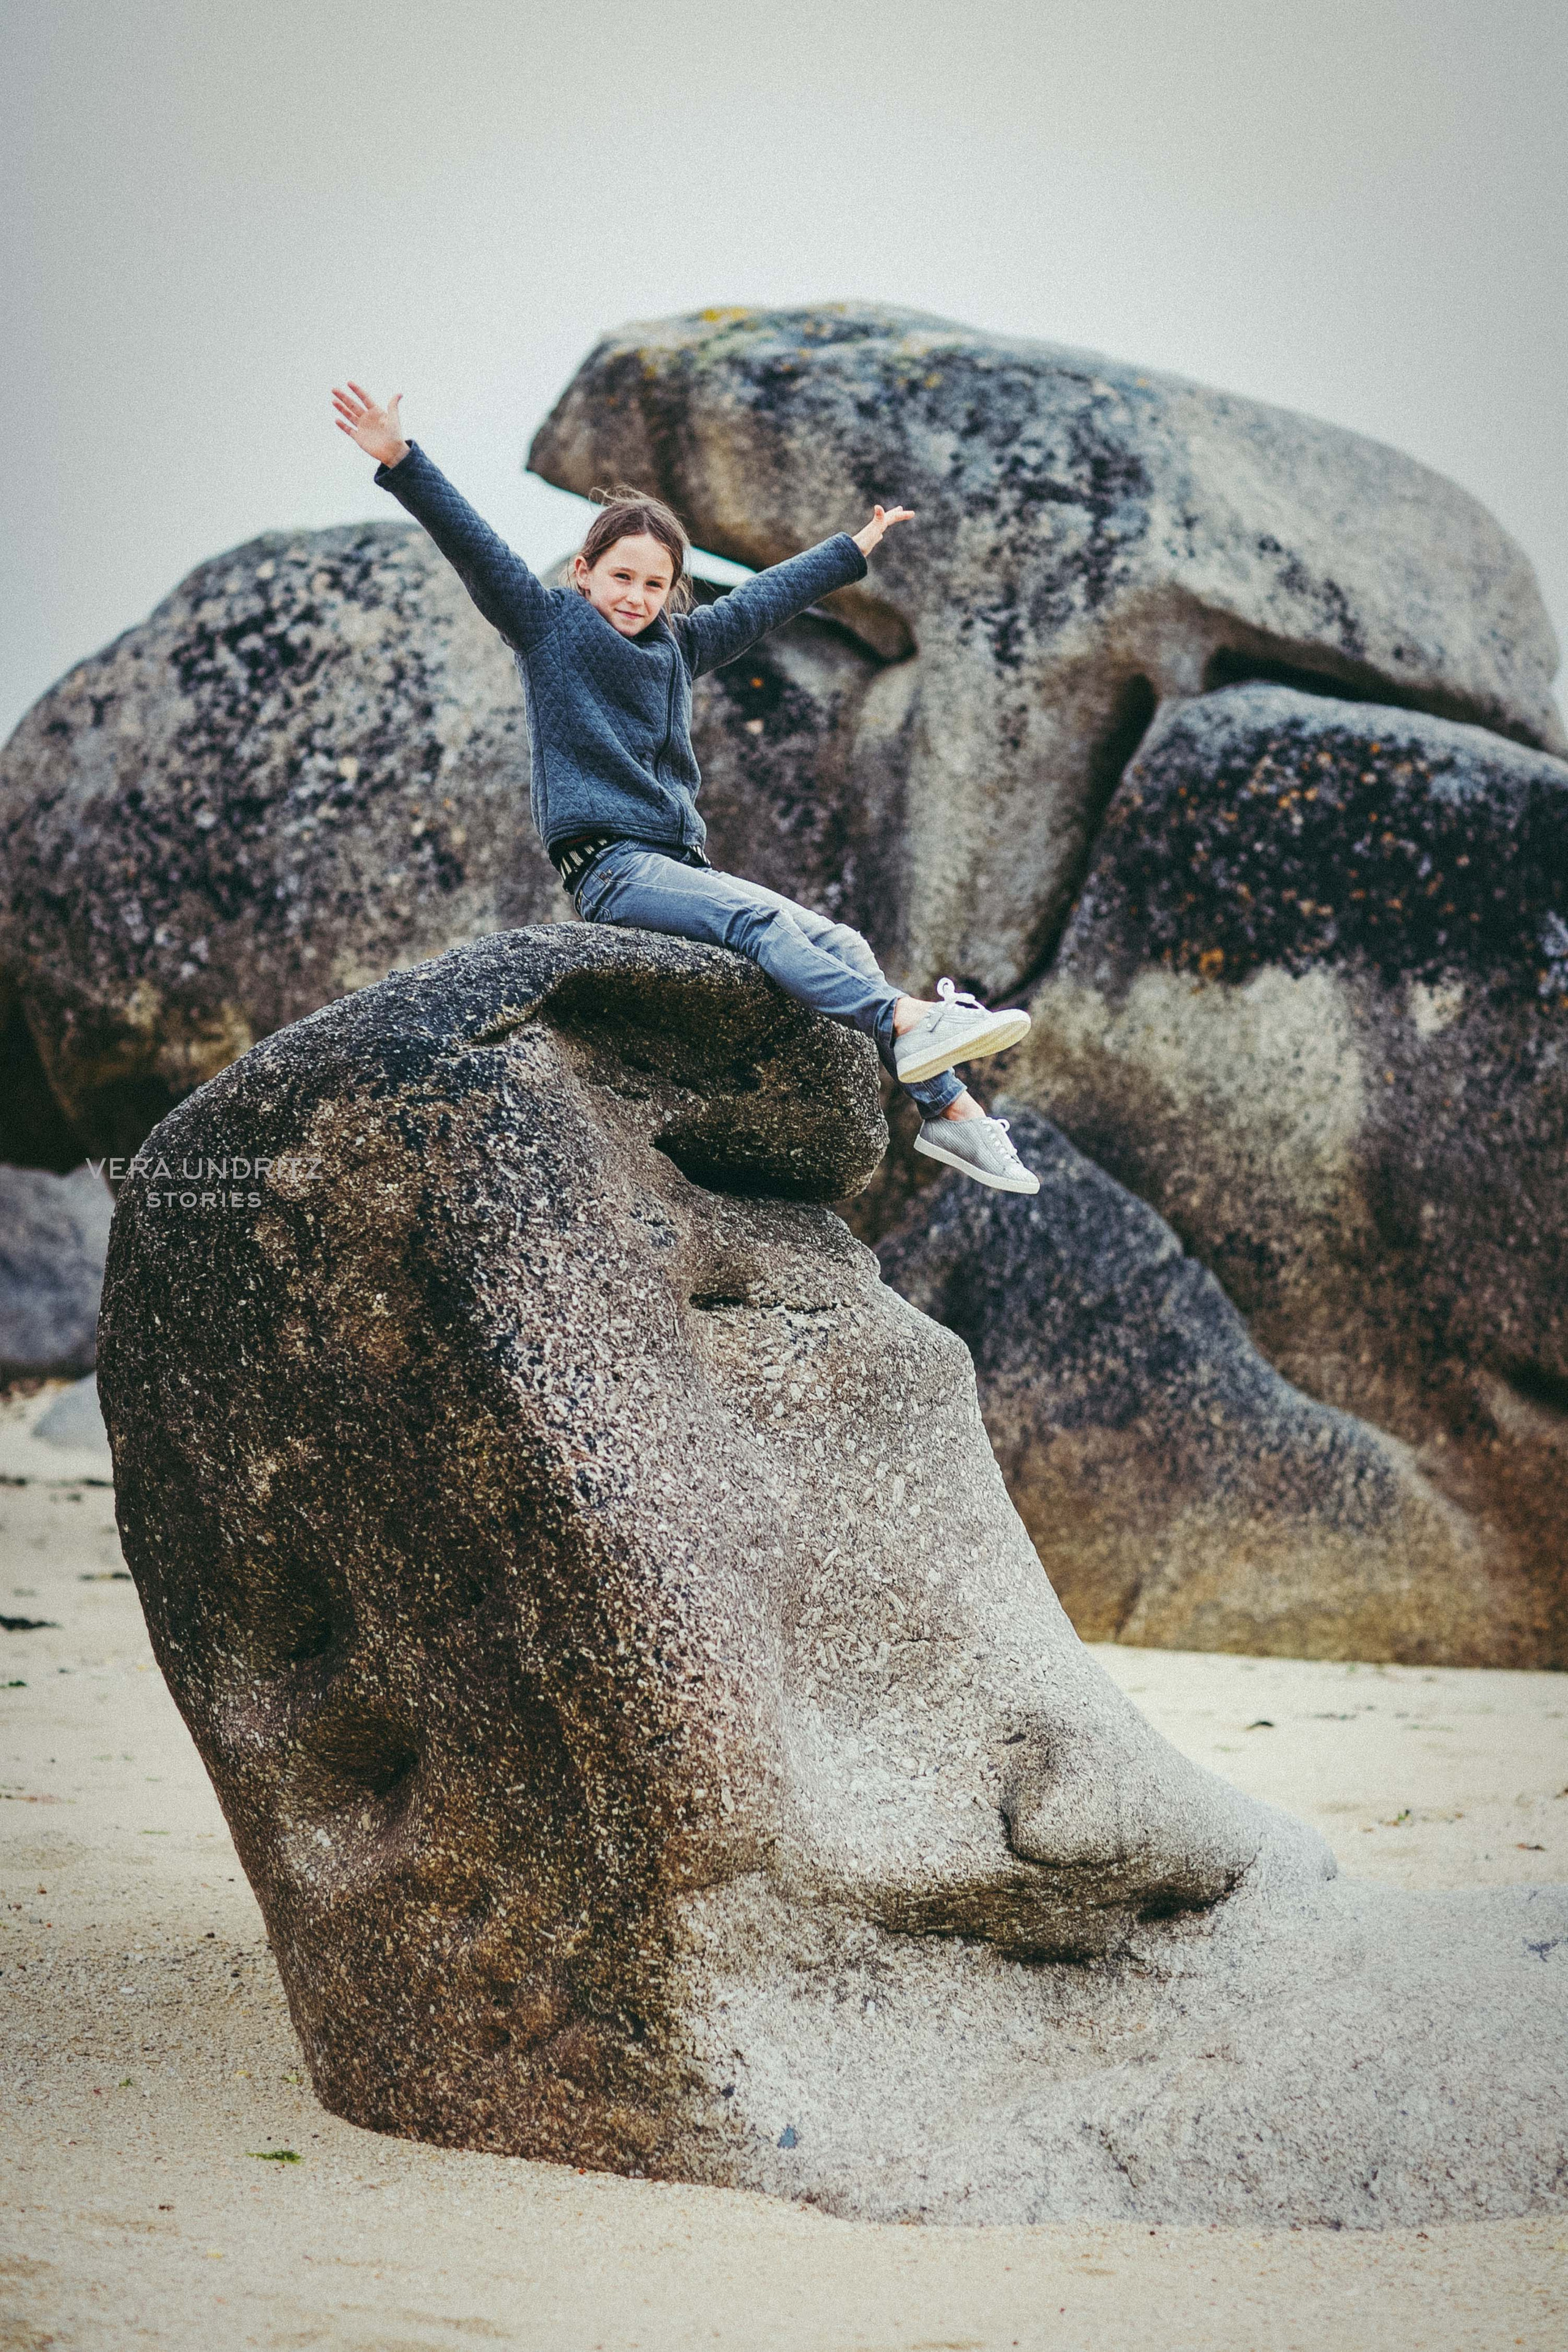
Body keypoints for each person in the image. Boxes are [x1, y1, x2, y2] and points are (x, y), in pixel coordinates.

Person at [331, 380, 1040, 1194]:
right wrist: (401, 460)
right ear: (585, 571)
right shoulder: (544, 625)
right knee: (757, 919)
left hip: (678, 870)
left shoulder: (679, 646)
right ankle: (906, 1020)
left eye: (654, 584)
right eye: (620, 577)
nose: (635, 597)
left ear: (673, 591)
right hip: (615, 872)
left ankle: (954, 1119)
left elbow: (763, 601)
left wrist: (852, 549)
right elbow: (471, 540)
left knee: (844, 943)